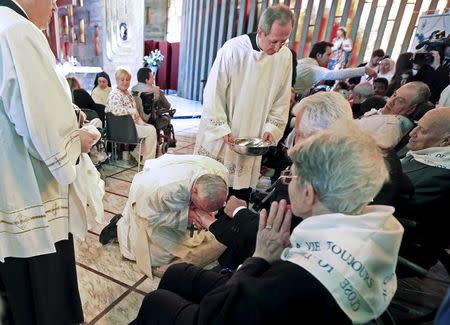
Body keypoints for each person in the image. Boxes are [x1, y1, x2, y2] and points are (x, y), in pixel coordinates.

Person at [132, 126, 404, 325]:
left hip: (254, 308)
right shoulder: (374, 230)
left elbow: (216, 315)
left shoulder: (295, 277)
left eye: (291, 175)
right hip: (271, 299)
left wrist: (259, 257)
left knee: (156, 302)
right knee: (178, 273)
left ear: (308, 192)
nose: (288, 180)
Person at [0, 0, 98, 324]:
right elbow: (44, 134)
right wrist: (78, 140)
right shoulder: (17, 31)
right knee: (44, 303)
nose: (56, 7)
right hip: (31, 198)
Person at [194, 4, 294, 201]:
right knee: (212, 192)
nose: (277, 48)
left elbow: (282, 100)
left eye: (284, 41)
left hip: (252, 137)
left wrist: (271, 127)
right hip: (224, 137)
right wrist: (222, 127)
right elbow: (213, 93)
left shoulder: (284, 57)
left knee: (240, 194)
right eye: (274, 41)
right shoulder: (233, 50)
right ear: (261, 32)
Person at [116, 154, 228, 277]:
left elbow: (211, 203)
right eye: (202, 207)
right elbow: (148, 215)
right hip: (146, 202)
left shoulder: (219, 175)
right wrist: (186, 215)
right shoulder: (164, 190)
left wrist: (201, 213)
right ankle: (118, 226)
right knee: (159, 255)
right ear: (194, 191)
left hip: (174, 180)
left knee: (188, 238)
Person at [105, 67, 158, 161]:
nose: (125, 82)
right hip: (121, 129)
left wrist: (141, 122)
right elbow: (116, 110)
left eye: (127, 80)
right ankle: (148, 161)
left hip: (130, 126)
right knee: (151, 131)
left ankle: (137, 153)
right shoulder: (114, 94)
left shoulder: (128, 93)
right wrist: (131, 111)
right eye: (122, 79)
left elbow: (135, 111)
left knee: (150, 128)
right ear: (117, 80)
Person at [294, 41, 377, 96]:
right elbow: (334, 74)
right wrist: (364, 69)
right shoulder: (313, 68)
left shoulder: (302, 62)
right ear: (319, 55)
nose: (330, 58)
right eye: (328, 55)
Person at [131, 67, 176, 147]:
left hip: (135, 120)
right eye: (152, 77)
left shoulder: (132, 90)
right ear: (146, 80)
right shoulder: (156, 91)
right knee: (167, 118)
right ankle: (168, 141)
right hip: (151, 121)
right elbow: (167, 106)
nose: (154, 78)